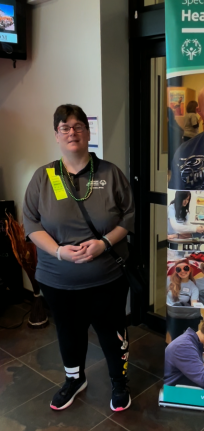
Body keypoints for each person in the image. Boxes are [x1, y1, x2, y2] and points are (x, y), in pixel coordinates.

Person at [23, 104, 135, 412]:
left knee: (112, 334)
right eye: (65, 127)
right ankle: (74, 379)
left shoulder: (111, 173)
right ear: (56, 135)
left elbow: (129, 218)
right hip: (58, 280)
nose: (72, 133)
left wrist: (102, 243)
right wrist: (58, 251)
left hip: (107, 278)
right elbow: (31, 223)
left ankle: (119, 381)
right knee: (68, 333)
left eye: (78, 126)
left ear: (88, 132)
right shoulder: (43, 177)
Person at [166, 259, 201, 340]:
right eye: (179, 269)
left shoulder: (193, 287)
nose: (182, 271)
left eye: (185, 268)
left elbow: (193, 303)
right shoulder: (169, 280)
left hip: (180, 315)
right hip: (170, 315)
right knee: (173, 339)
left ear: (190, 269)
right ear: (176, 271)